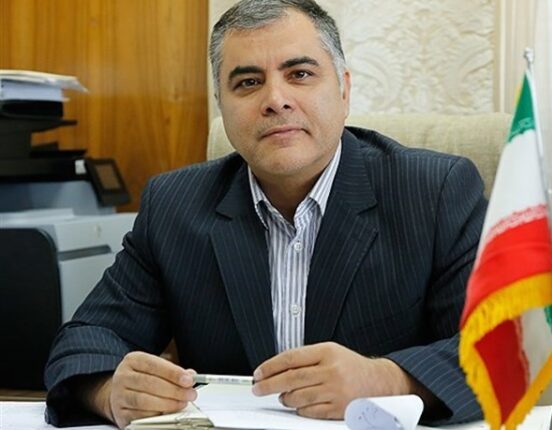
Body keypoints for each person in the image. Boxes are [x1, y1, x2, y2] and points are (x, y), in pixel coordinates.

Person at [44, 0, 487, 428]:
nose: (276, 99)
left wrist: (386, 379)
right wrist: (110, 392)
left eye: (300, 74)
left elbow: (501, 345)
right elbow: (83, 342)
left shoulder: (434, 192)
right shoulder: (174, 205)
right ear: (221, 105)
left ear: (344, 90)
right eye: (248, 82)